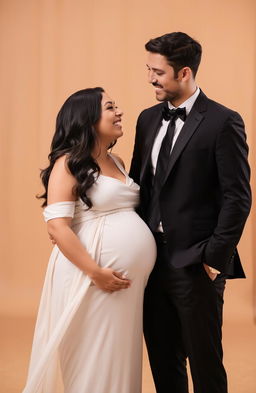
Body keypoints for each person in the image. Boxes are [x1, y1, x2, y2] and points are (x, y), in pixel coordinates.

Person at [129, 32, 251, 393]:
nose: (150, 78)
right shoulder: (146, 119)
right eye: (148, 69)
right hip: (150, 261)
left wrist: (214, 258)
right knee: (164, 362)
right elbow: (141, 188)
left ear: (184, 73)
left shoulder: (223, 121)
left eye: (158, 72)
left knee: (205, 363)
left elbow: (238, 197)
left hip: (198, 263)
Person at [22, 87, 156, 393]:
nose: (119, 112)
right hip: (90, 277)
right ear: (88, 119)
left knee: (120, 355)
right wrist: (96, 273)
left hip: (123, 286)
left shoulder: (118, 160)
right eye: (110, 107)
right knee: (93, 356)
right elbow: (58, 227)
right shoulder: (68, 163)